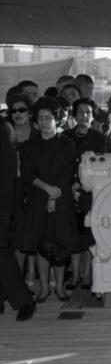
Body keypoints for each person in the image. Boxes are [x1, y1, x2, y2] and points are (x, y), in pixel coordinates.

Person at [21, 97, 79, 303]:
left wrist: (54, 196)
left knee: (60, 244)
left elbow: (67, 173)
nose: (44, 122)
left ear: (57, 119)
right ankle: (44, 287)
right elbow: (27, 173)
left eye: (49, 117)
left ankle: (60, 287)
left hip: (61, 199)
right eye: (40, 118)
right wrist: (47, 190)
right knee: (41, 244)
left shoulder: (68, 144)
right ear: (36, 121)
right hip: (38, 198)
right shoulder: (28, 146)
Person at [63, 97, 107, 290]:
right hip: (67, 190)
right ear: (74, 115)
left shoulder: (100, 139)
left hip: (90, 192)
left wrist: (80, 185)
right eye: (80, 112)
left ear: (93, 116)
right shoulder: (65, 137)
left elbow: (100, 168)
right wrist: (70, 185)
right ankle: (75, 275)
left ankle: (87, 274)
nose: (84, 116)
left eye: (88, 112)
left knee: (90, 234)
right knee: (72, 234)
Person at [0, 116, 36, 321]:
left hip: (1, 205)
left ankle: (24, 301)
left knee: (1, 253)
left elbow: (7, 174)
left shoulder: (4, 129)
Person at [6, 94, 37, 292]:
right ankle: (17, 281)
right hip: (11, 189)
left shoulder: (38, 134)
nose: (17, 114)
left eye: (22, 110)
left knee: (31, 234)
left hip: (34, 188)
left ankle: (31, 275)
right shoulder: (5, 134)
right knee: (15, 236)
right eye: (13, 110)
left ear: (30, 112)